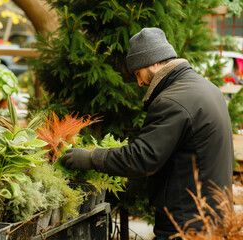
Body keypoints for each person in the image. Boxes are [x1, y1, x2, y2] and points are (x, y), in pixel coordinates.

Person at [61, 27, 234, 239]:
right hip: (213, 217)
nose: (140, 82)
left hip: (186, 225)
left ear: (154, 62)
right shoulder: (207, 88)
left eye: (138, 73)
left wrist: (91, 157)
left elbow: (143, 158)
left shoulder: (173, 100)